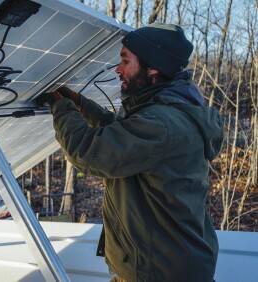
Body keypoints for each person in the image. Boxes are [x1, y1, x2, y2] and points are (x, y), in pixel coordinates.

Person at [39, 22, 224, 282]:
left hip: (160, 273)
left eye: (125, 61)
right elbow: (125, 136)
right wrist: (82, 105)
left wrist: (62, 108)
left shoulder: (161, 124)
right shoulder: (173, 111)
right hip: (168, 265)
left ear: (153, 69)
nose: (118, 69)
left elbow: (88, 152)